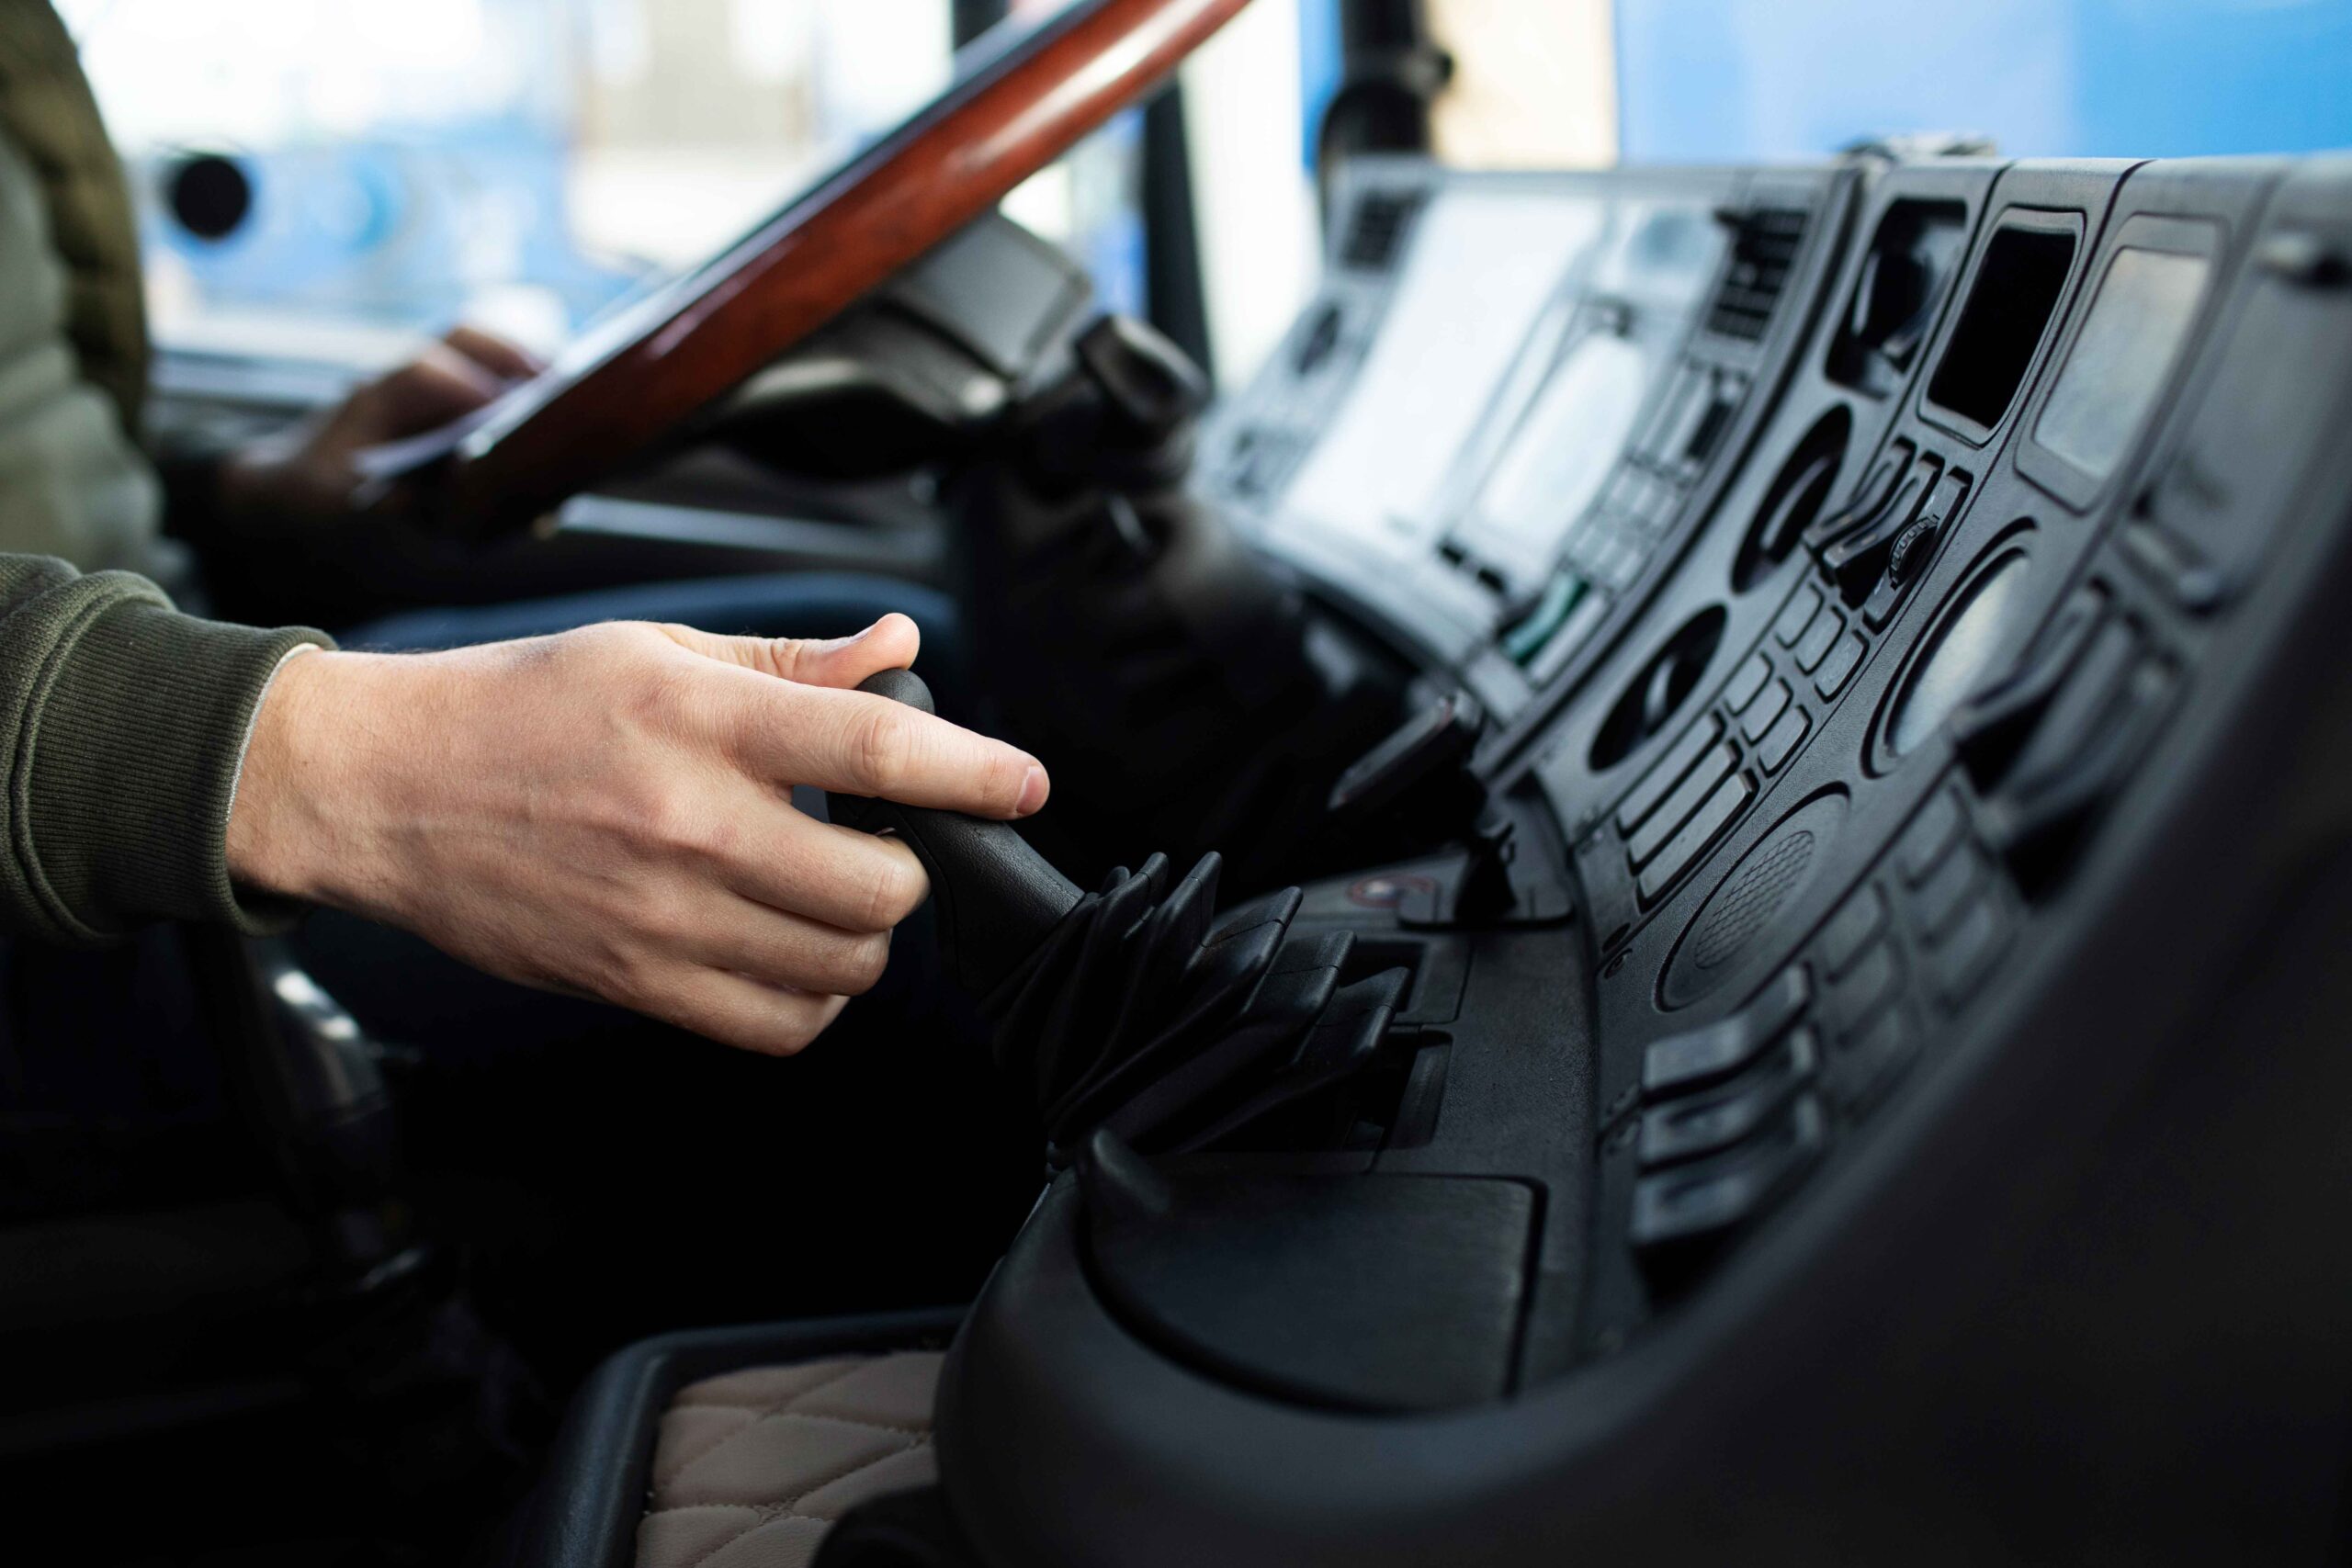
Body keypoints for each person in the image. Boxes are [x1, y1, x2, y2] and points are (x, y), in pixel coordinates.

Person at [0, 2, 1047, 1059]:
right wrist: (338, 770)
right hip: (62, 898)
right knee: (927, 918)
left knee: (906, 697)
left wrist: (244, 490)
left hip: (155, 667)